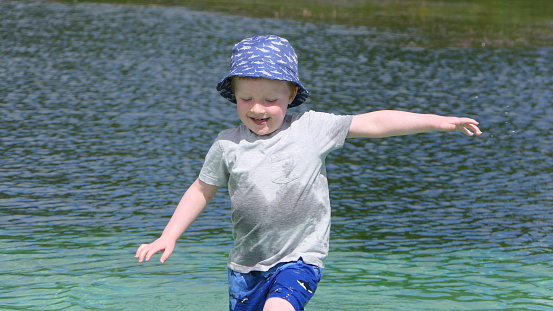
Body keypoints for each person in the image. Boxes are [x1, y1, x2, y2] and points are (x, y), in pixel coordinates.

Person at [135, 35, 482, 311]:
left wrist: (438, 122)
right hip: (246, 265)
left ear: (292, 95)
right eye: (246, 99)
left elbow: (375, 122)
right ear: (234, 97)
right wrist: (169, 235)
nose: (258, 108)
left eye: (270, 99)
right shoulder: (227, 145)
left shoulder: (312, 128)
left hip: (300, 258)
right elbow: (200, 190)